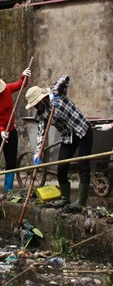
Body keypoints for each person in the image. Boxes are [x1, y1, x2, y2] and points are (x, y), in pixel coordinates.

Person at [25, 75, 93, 208]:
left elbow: (66, 78)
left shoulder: (57, 94)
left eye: (36, 103)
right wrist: (37, 153)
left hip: (83, 130)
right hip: (68, 136)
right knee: (61, 167)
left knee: (83, 165)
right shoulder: (41, 114)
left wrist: (52, 94)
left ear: (42, 99)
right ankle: (65, 198)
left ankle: (81, 201)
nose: (35, 107)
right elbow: (41, 135)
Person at [0, 68, 31, 192]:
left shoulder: (6, 89)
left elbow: (21, 85)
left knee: (11, 161)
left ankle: (8, 189)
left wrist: (23, 76)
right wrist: (1, 131)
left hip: (10, 130)